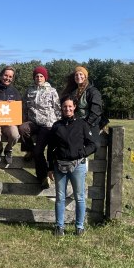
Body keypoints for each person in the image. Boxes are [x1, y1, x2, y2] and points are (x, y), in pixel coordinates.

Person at [47, 96, 97, 237]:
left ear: (74, 107)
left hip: (78, 166)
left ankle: (80, 226)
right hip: (59, 166)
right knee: (60, 197)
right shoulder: (56, 126)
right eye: (64, 107)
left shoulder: (82, 124)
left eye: (70, 106)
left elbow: (93, 144)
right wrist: (50, 167)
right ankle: (59, 226)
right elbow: (50, 148)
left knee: (79, 197)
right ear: (61, 108)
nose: (67, 109)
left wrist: (82, 153)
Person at [18, 66, 60, 188]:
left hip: (47, 124)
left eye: (41, 76)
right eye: (37, 76)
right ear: (34, 78)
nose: (39, 78)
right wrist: (24, 119)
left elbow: (57, 108)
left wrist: (57, 123)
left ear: (45, 77)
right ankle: (29, 149)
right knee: (22, 128)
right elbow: (24, 107)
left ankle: (43, 177)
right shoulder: (29, 91)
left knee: (39, 151)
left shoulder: (52, 91)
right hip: (33, 122)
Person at [61, 65, 108, 144]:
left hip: (91, 123)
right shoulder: (72, 91)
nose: (78, 76)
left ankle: (82, 155)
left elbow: (96, 111)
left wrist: (85, 125)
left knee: (94, 144)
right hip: (75, 121)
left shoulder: (93, 92)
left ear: (85, 76)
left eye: (81, 74)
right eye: (76, 75)